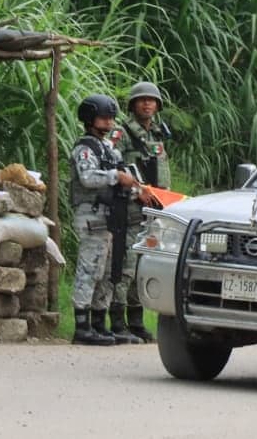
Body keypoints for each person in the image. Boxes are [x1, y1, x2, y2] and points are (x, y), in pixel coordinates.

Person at [69, 94, 143, 345]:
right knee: (90, 269)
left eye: (111, 117)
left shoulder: (109, 148)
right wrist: (115, 177)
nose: (109, 122)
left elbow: (126, 175)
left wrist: (136, 189)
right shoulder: (85, 148)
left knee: (110, 270)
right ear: (90, 119)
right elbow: (88, 178)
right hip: (92, 214)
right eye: (103, 117)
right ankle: (82, 326)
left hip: (113, 216)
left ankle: (99, 322)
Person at [107, 81, 170, 343]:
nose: (147, 104)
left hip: (155, 207)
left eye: (151, 100)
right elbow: (113, 165)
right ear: (133, 105)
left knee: (144, 263)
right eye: (142, 100)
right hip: (130, 206)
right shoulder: (121, 133)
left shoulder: (157, 134)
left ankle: (136, 322)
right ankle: (117, 322)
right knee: (126, 264)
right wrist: (136, 190)